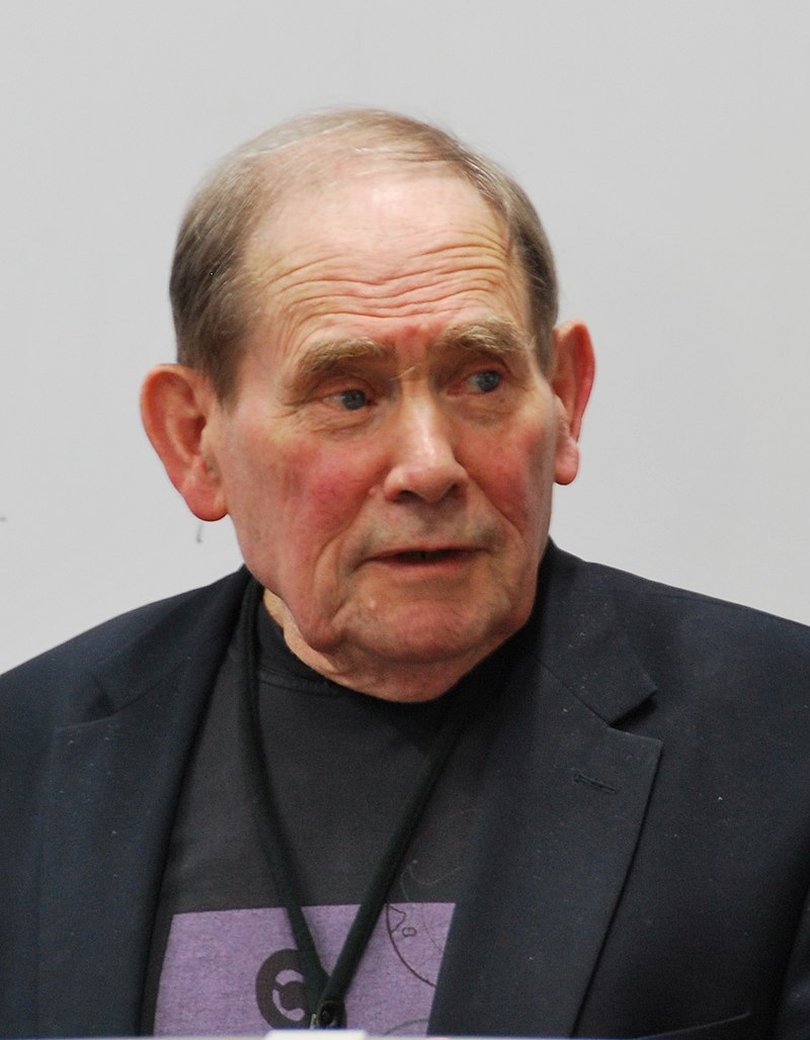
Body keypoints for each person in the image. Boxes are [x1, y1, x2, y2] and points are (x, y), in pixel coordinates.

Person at [2, 109, 810, 1040]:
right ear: (195, 441)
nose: (430, 465)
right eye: (348, 395)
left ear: (565, 397)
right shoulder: (25, 761)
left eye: (482, 380)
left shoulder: (782, 742)